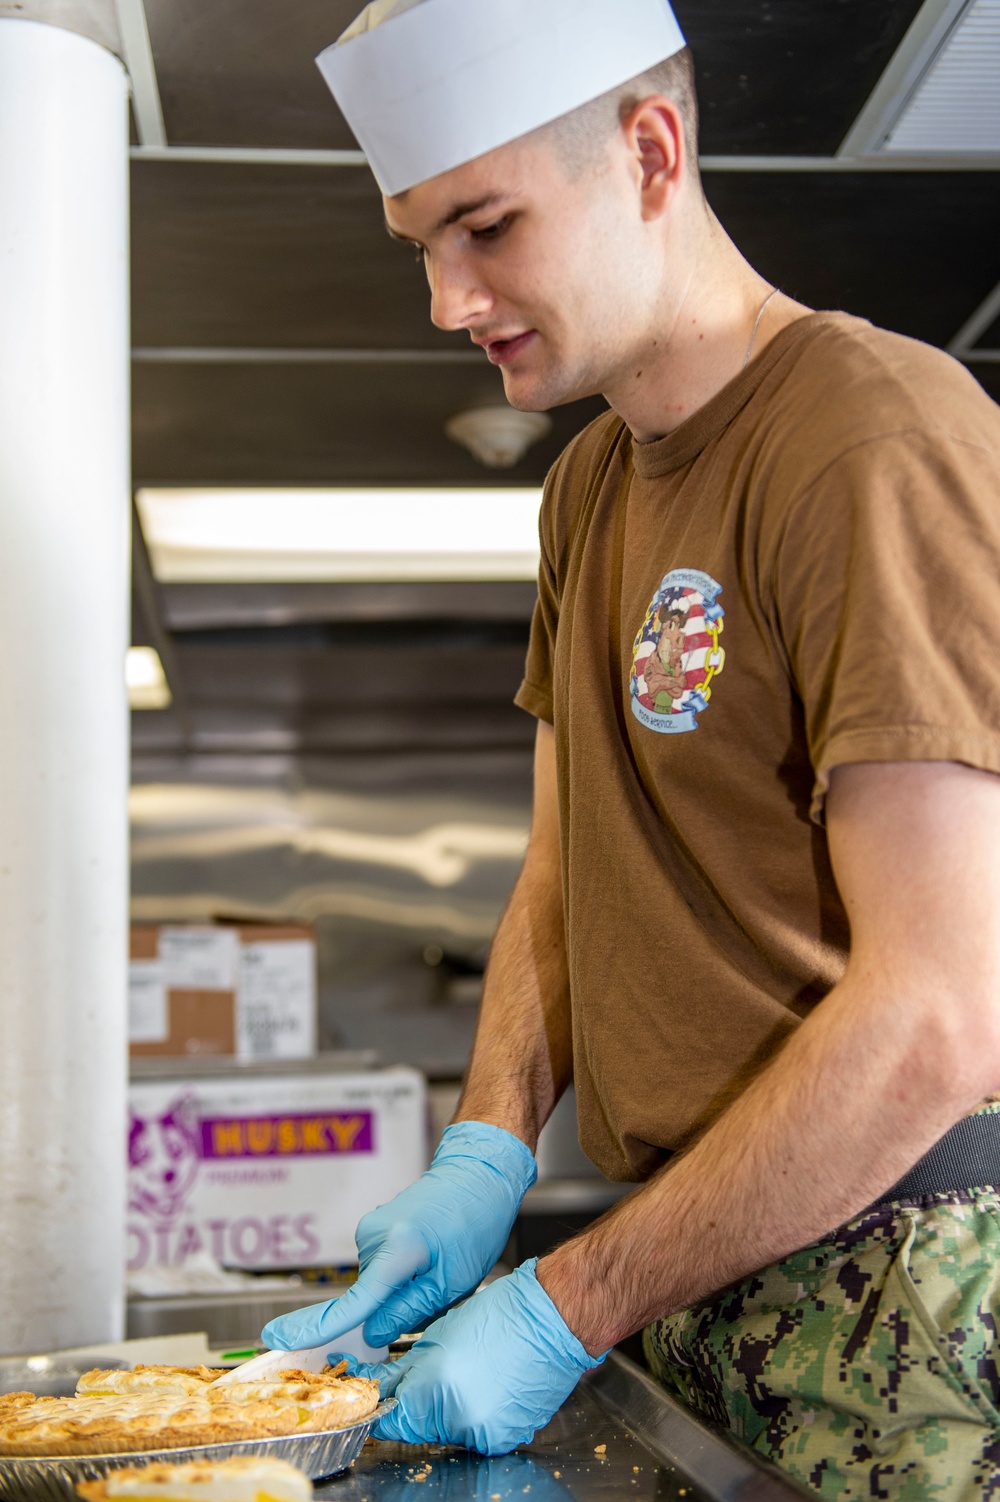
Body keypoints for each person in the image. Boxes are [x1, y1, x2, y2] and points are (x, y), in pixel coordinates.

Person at [263, 1, 1000, 1494]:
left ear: (651, 152)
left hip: (898, 1284)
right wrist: (488, 1151)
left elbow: (939, 1010)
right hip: (689, 1256)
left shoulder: (876, 441)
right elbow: (568, 858)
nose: (447, 299)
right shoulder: (589, 485)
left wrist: (562, 1302)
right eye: (421, 243)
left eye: (485, 226)